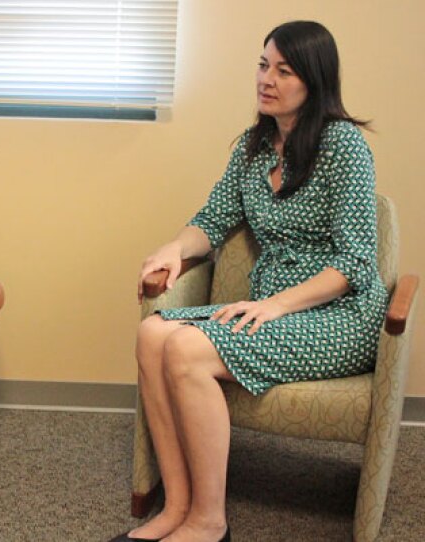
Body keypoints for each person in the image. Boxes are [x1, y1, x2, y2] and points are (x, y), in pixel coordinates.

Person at [111, 21, 387, 542]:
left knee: (188, 351)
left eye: (284, 71)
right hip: (271, 308)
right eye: (264, 65)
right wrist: (175, 247)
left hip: (339, 316)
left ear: (314, 81)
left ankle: (209, 523)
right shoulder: (254, 147)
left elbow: (353, 263)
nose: (267, 79)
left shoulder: (344, 147)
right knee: (153, 335)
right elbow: (212, 221)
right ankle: (175, 508)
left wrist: (279, 305)